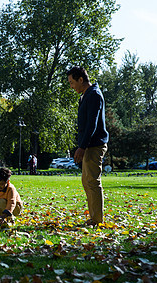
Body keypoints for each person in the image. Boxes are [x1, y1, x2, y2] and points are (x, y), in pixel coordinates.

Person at [67, 66, 109, 226]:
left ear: (81, 79)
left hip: (94, 145)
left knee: (92, 181)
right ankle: (94, 217)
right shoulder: (86, 95)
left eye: (72, 83)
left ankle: (97, 220)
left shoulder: (94, 95)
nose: (71, 86)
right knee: (87, 181)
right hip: (88, 145)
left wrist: (82, 147)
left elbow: (92, 124)